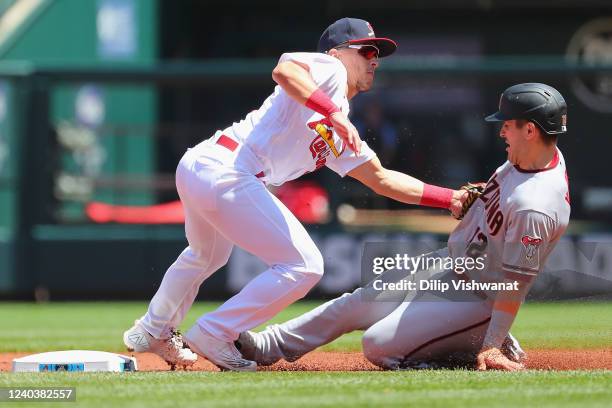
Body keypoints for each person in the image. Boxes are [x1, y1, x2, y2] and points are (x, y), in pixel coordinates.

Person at [123, 17, 467, 372]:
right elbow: (285, 70)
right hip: (229, 169)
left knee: (204, 255)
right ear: (337, 52)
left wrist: (450, 199)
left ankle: (154, 329)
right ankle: (213, 331)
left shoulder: (338, 120)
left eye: (377, 53)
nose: (374, 59)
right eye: (366, 50)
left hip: (204, 165)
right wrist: (334, 112)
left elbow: (381, 179)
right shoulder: (330, 69)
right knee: (304, 265)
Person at [235, 83, 571, 371]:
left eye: (508, 124)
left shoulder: (537, 205)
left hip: (481, 297)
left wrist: (491, 341)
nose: (501, 131)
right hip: (453, 265)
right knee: (357, 303)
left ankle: (480, 343)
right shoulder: (529, 159)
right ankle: (269, 344)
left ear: (531, 130)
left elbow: (515, 284)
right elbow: (503, 203)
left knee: (378, 346)